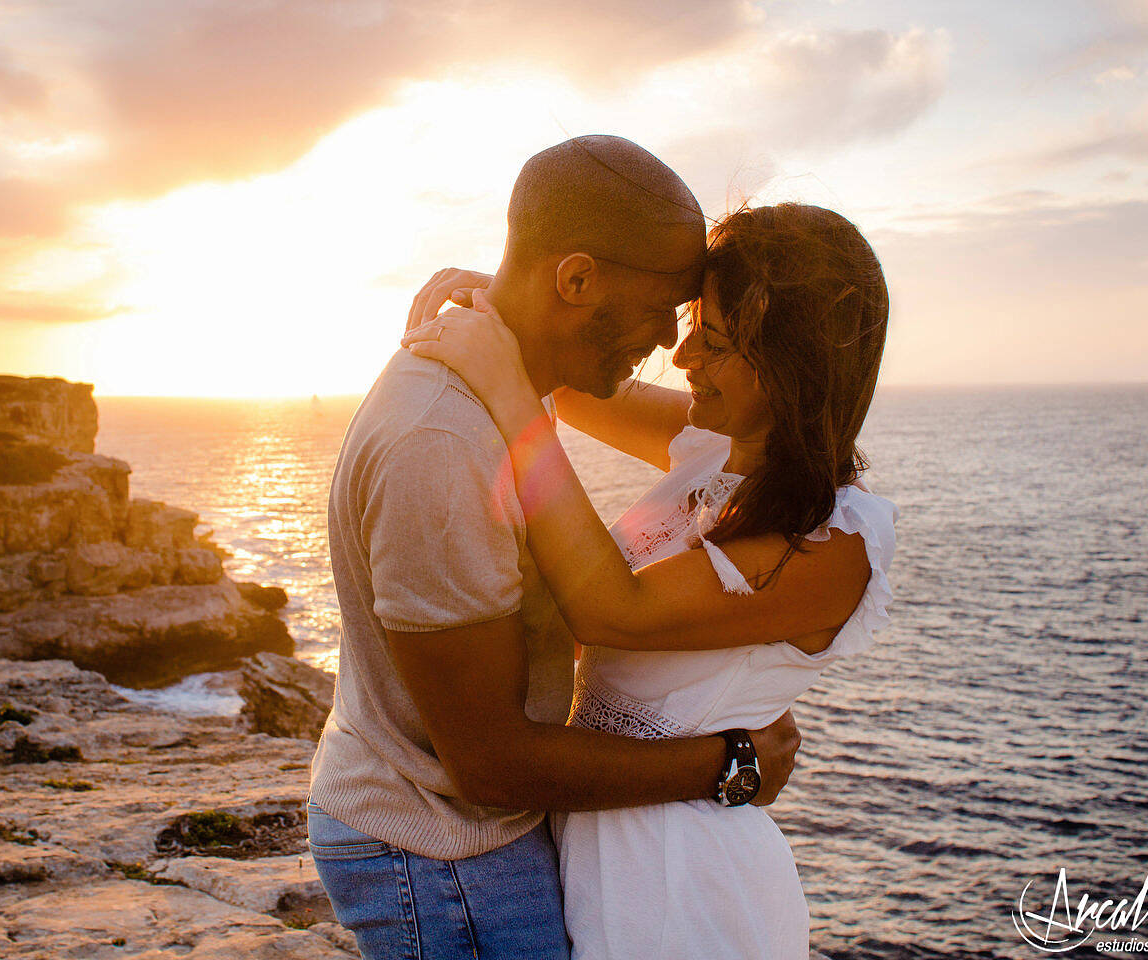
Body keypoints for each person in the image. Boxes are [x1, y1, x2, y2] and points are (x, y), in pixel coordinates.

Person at [306, 136, 803, 960]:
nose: (671, 346)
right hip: (440, 850)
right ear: (576, 280)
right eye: (663, 309)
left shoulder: (503, 379)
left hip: (461, 835)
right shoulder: (441, 444)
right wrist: (727, 765)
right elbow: (490, 763)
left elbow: (749, 440)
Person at [400, 200, 898, 959]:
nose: (687, 352)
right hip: (597, 840)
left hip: (683, 881)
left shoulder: (834, 540)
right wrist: (512, 304)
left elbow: (610, 610)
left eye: (718, 339)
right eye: (695, 320)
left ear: (796, 369)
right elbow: (582, 381)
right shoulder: (712, 448)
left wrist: (507, 389)